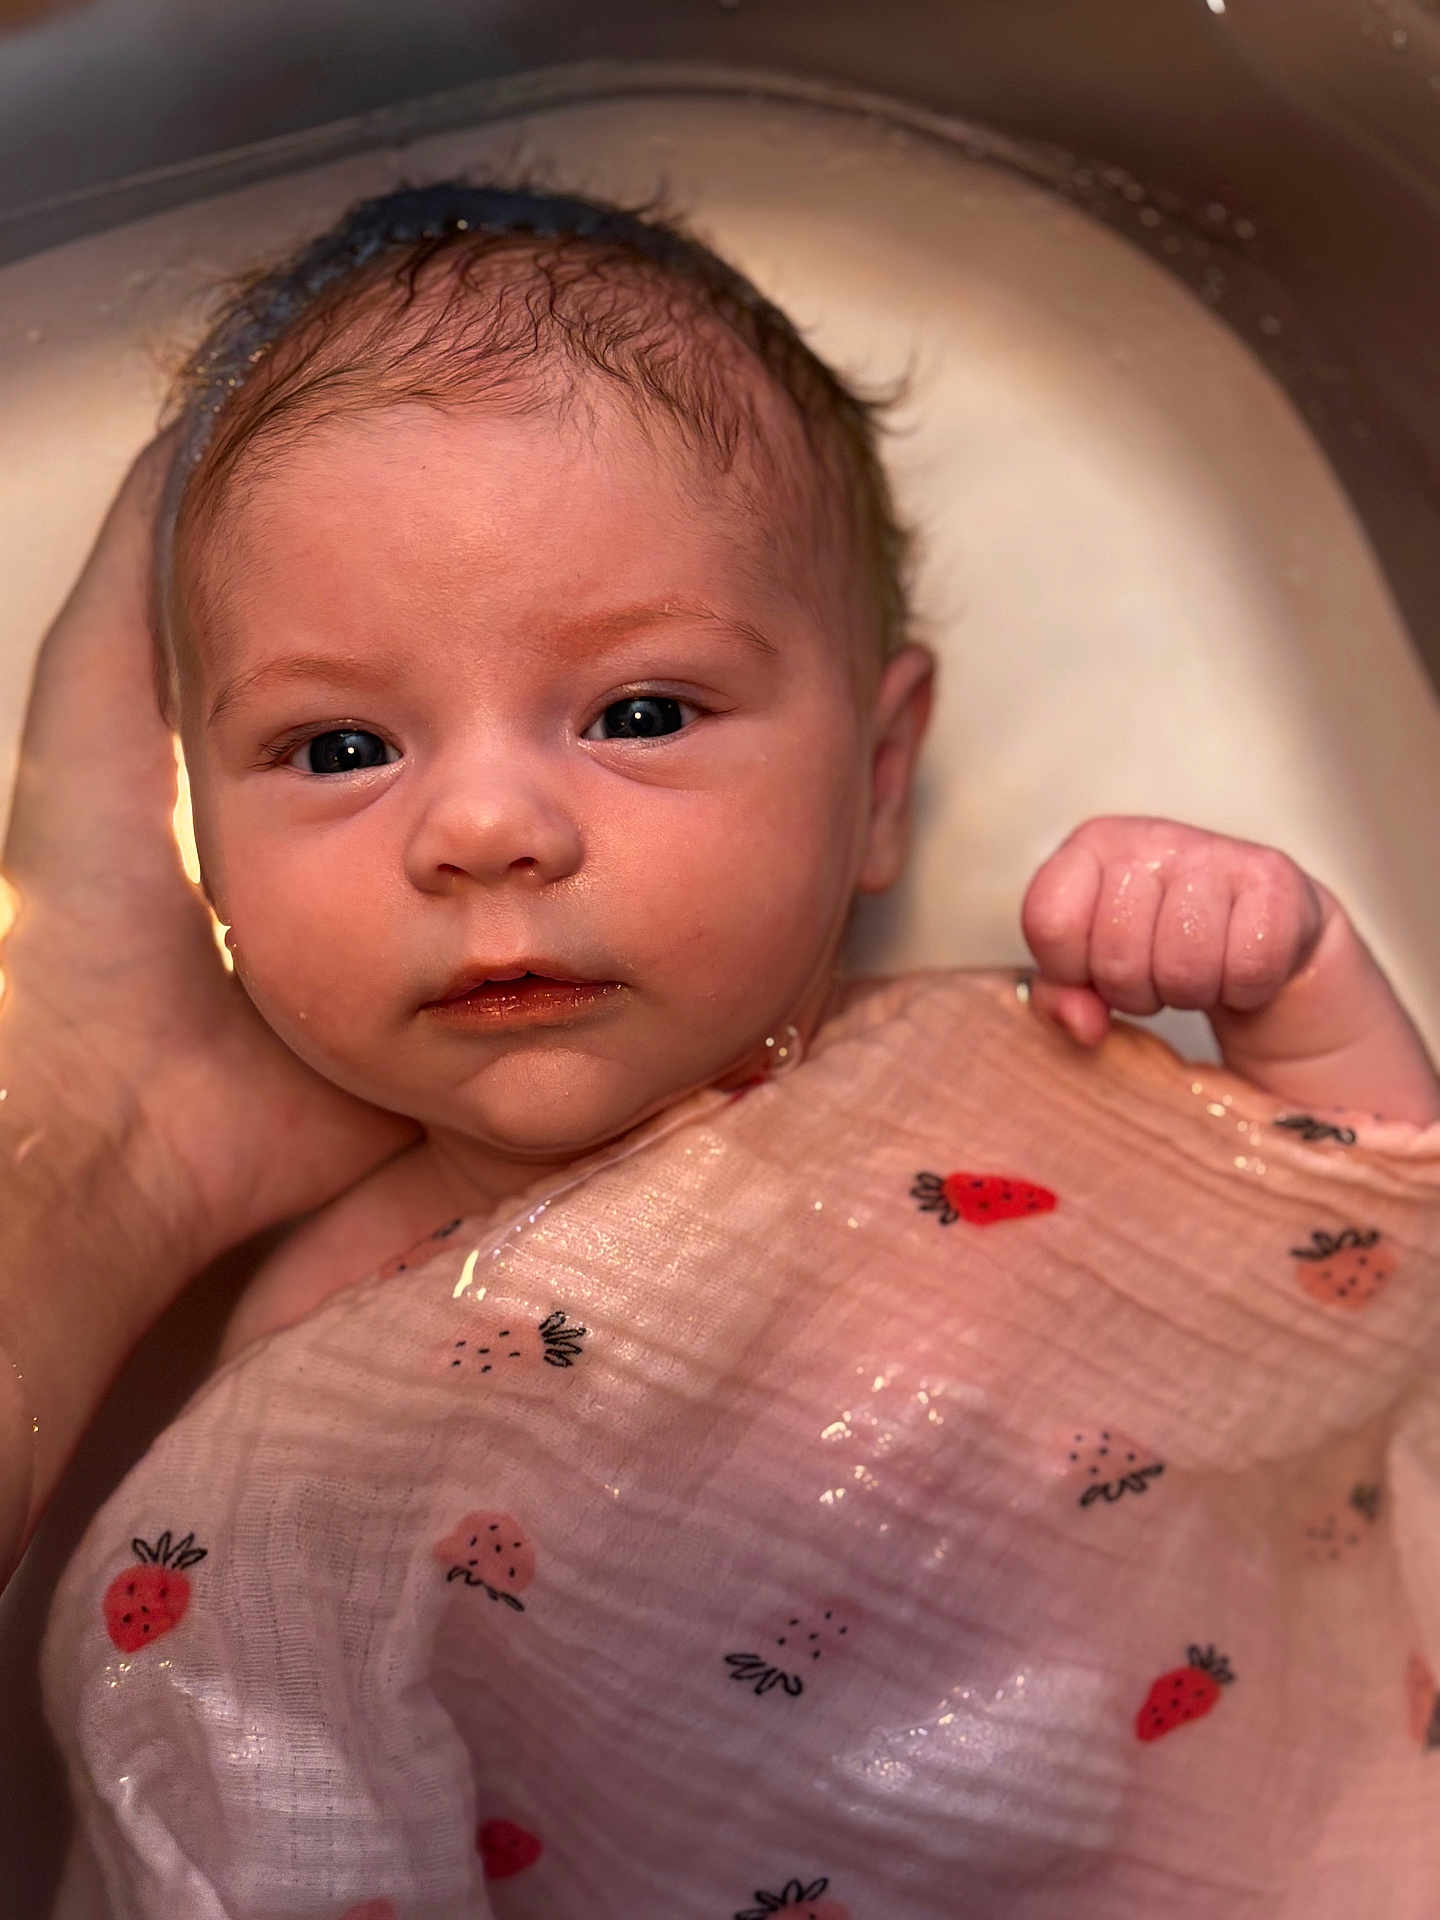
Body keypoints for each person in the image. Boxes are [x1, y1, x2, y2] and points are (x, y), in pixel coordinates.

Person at [22, 181, 1440, 1917]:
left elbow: (1369, 1277)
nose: (480, 827)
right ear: (199, 843)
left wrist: (1288, 982)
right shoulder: (319, 1344)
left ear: (881, 777)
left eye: (637, 714)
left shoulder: (1004, 1079)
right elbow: (276, 1780)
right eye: (334, 747)